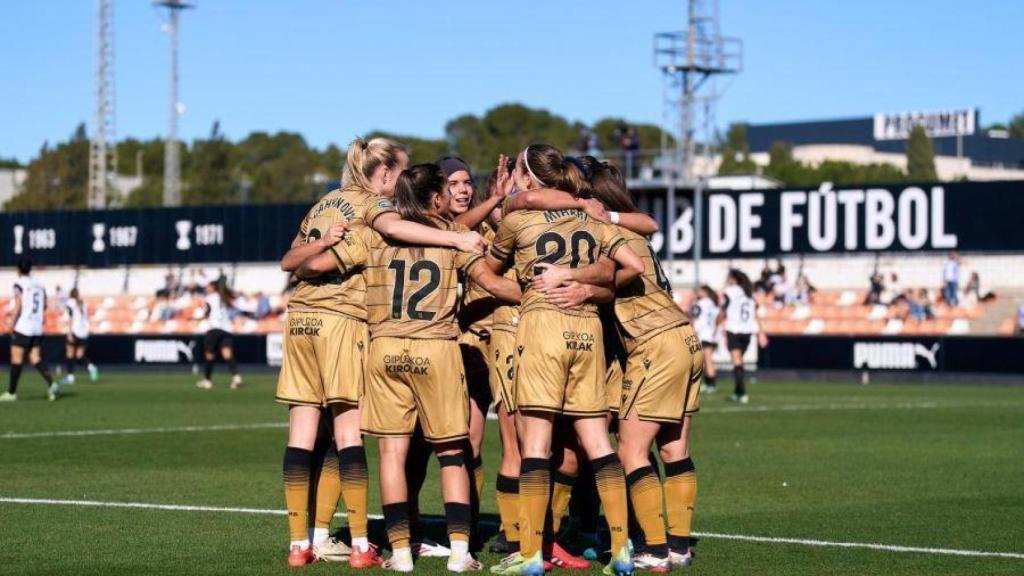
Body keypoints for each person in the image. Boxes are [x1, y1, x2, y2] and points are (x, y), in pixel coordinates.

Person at [276, 137, 486, 569]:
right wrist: (458, 240)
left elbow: (295, 263)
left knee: (302, 435)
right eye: (400, 171)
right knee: (351, 435)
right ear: (386, 173)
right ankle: (358, 544)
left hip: (300, 319)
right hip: (345, 322)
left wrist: (322, 244)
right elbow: (393, 228)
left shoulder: (324, 203)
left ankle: (303, 542)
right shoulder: (374, 207)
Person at [532, 160, 704, 570]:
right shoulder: (633, 228)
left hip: (654, 343)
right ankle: (677, 544)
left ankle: (654, 549)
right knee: (673, 447)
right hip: (684, 336)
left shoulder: (610, 234)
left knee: (629, 450)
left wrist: (577, 287)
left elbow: (613, 279)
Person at [484, 144, 644, 576]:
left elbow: (486, 269)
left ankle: (532, 554)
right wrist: (587, 285)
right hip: (587, 328)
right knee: (597, 443)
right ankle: (620, 550)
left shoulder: (518, 217)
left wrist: (528, 285)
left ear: (531, 177)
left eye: (518, 169)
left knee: (535, 445)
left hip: (542, 327)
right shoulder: (591, 216)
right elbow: (630, 266)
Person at [1, 258, 59, 402]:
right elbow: (44, 304)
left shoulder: (19, 283)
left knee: (16, 358)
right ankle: (52, 384)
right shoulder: (39, 284)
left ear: (18, 270)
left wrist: (11, 323)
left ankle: (11, 392)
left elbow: (18, 305)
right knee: (35, 359)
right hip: (37, 327)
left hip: (24, 326)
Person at [720, 269, 765, 404]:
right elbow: (755, 315)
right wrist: (761, 333)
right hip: (747, 332)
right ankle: (737, 392)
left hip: (734, 330)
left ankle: (743, 393)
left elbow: (723, 310)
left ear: (733, 278)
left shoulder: (731, 291)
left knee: (737, 362)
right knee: (739, 362)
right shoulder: (749, 295)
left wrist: (718, 324)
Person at [195, 279, 242, 390]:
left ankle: (207, 381)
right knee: (227, 355)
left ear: (213, 288)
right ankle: (236, 377)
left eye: (208, 286)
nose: (206, 288)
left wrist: (197, 318)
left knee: (209, 355)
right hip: (226, 330)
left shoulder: (210, 298)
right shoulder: (224, 298)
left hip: (214, 329)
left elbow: (207, 312)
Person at [61, 288, 98, 385]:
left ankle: (70, 377)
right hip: (84, 331)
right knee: (79, 356)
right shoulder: (83, 303)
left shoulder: (70, 303)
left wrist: (69, 332)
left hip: (75, 330)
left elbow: (71, 318)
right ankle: (91, 367)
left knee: (70, 354)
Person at [692, 285, 720, 394]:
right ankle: (709, 383)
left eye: (700, 290)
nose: (698, 292)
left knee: (707, 361)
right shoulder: (713, 304)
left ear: (705, 292)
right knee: (706, 361)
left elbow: (694, 317)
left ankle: (711, 384)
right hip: (712, 335)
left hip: (703, 334)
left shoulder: (700, 303)